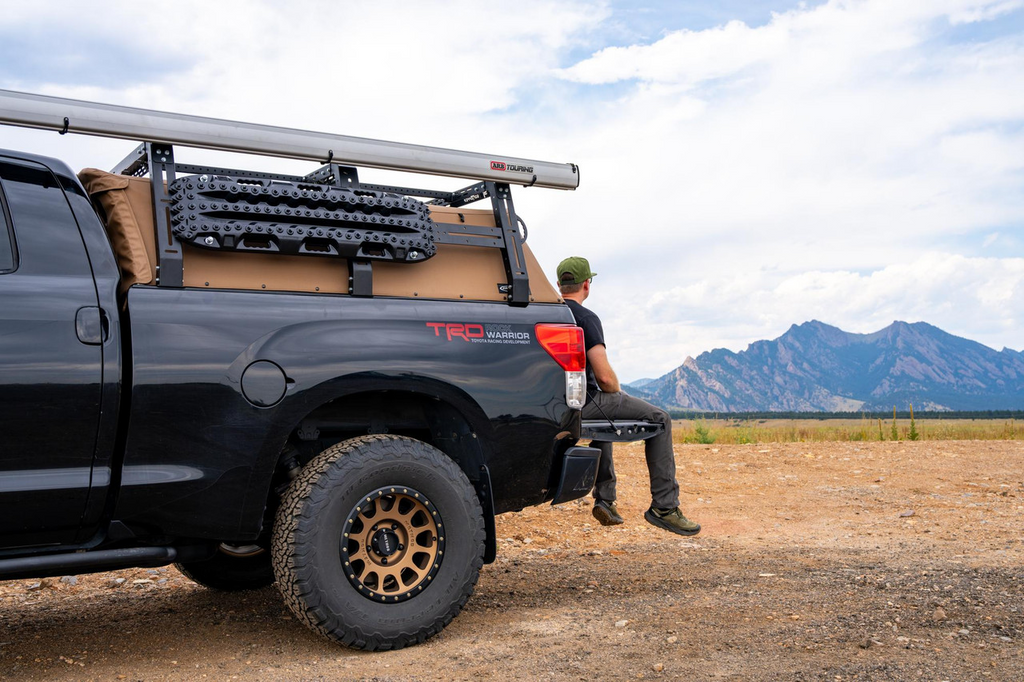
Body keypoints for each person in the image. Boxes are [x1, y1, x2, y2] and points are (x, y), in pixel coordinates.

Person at [556, 256, 701, 536]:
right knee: (660, 420)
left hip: (553, 404)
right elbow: (605, 377)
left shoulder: (548, 313)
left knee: (605, 416)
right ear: (587, 284)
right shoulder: (585, 318)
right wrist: (615, 391)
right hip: (582, 403)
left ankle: (606, 500)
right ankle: (665, 507)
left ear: (560, 284)